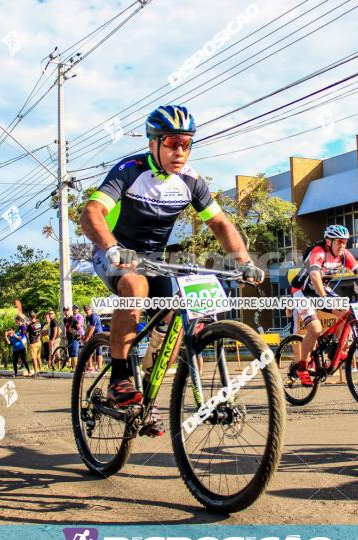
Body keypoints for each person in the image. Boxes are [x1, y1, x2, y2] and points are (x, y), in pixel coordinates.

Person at [80, 104, 262, 436]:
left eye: (186, 143)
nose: (179, 150)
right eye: (172, 142)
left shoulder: (191, 181)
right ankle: (119, 378)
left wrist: (244, 262)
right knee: (135, 289)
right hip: (113, 251)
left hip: (154, 257)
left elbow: (220, 223)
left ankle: (148, 398)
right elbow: (91, 212)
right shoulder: (129, 170)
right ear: (153, 143)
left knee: (176, 316)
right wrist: (111, 248)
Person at [289, 225, 358, 387]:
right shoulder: (318, 252)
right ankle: (302, 367)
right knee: (315, 329)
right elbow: (315, 275)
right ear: (328, 242)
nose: (342, 245)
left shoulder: (344, 255)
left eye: (345, 242)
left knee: (347, 313)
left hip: (321, 289)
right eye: (339, 242)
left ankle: (334, 350)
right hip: (302, 291)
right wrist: (324, 298)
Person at [83, 305, 103, 372]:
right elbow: (88, 328)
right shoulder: (87, 317)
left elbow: (93, 327)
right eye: (85, 310)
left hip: (98, 334)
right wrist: (84, 335)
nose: (87, 311)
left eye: (88, 309)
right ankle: (90, 366)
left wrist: (87, 337)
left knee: (98, 351)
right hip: (93, 335)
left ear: (91, 309)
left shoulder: (93, 316)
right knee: (89, 350)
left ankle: (99, 367)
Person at [27, 312, 43, 376]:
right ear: (35, 316)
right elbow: (40, 331)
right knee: (38, 357)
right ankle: (41, 370)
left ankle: (36, 372)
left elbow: (27, 334)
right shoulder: (39, 323)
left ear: (30, 317)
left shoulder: (30, 325)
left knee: (34, 358)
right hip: (39, 342)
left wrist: (26, 325)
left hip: (33, 343)